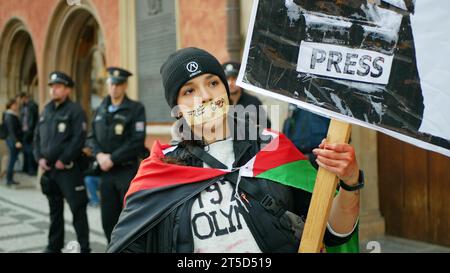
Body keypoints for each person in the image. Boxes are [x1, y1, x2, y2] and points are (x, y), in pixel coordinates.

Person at [107, 47, 363, 253]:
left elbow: (332, 233)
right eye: (189, 90)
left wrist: (350, 183)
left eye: (213, 83)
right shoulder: (159, 172)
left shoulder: (273, 149)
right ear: (177, 109)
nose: (205, 96)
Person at [33, 71, 90, 253]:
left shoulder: (75, 110)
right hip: (49, 171)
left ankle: (84, 248)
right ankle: (54, 246)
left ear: (67, 90)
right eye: (52, 86)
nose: (53, 90)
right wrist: (39, 158)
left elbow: (78, 139)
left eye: (58, 86)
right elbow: (36, 138)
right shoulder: (46, 110)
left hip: (68, 170)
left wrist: (63, 159)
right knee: (55, 212)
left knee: (78, 212)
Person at [88, 67, 146, 243]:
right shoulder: (100, 109)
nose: (114, 88)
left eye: (119, 84)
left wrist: (112, 158)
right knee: (108, 220)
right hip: (106, 174)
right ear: (108, 85)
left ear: (125, 85)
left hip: (126, 172)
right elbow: (91, 138)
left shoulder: (135, 109)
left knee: (131, 219)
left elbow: (136, 142)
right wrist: (99, 156)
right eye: (112, 83)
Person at [222, 61, 271, 129]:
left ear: (241, 79)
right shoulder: (219, 103)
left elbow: (266, 126)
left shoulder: (253, 102)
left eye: (234, 78)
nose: (230, 83)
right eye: (227, 79)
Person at [283, 104, 330, 169]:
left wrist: (308, 158)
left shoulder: (328, 108)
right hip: (294, 167)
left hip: (320, 168)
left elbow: (336, 146)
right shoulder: (295, 106)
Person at [18, 92, 39, 175]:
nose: (20, 101)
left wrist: (30, 132)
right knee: (25, 151)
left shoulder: (32, 105)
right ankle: (26, 168)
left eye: (21, 99)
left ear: (25, 97)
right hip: (24, 131)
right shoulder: (23, 107)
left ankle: (31, 169)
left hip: (30, 132)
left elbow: (32, 120)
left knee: (30, 151)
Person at [3, 98, 23, 186]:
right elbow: (11, 131)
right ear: (11, 105)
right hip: (12, 140)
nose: (17, 106)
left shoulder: (12, 115)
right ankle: (9, 179)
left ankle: (10, 179)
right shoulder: (9, 116)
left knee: (13, 160)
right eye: (15, 104)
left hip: (12, 140)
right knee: (12, 160)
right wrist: (16, 141)